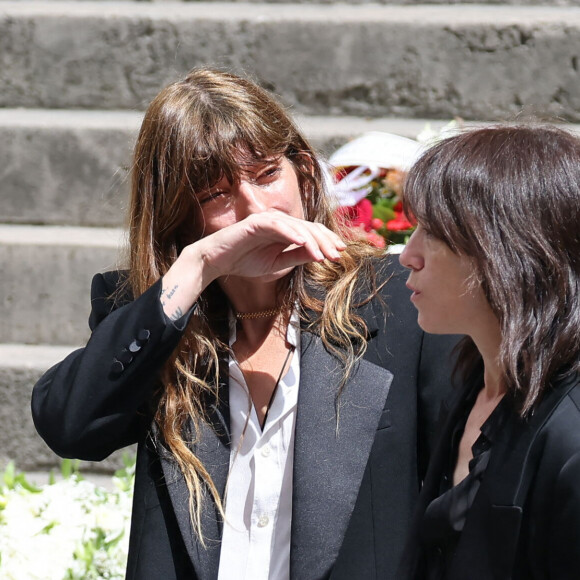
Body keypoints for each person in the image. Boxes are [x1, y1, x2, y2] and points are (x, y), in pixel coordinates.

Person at [31, 67, 456, 580]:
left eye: (266, 175)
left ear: (302, 171)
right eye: (216, 196)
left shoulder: (397, 300)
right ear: (179, 217)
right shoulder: (157, 317)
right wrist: (196, 269)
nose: (256, 213)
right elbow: (71, 427)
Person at [397, 124, 580, 580]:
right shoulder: (472, 385)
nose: (407, 254)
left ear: (507, 251)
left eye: (432, 232)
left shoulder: (572, 433)